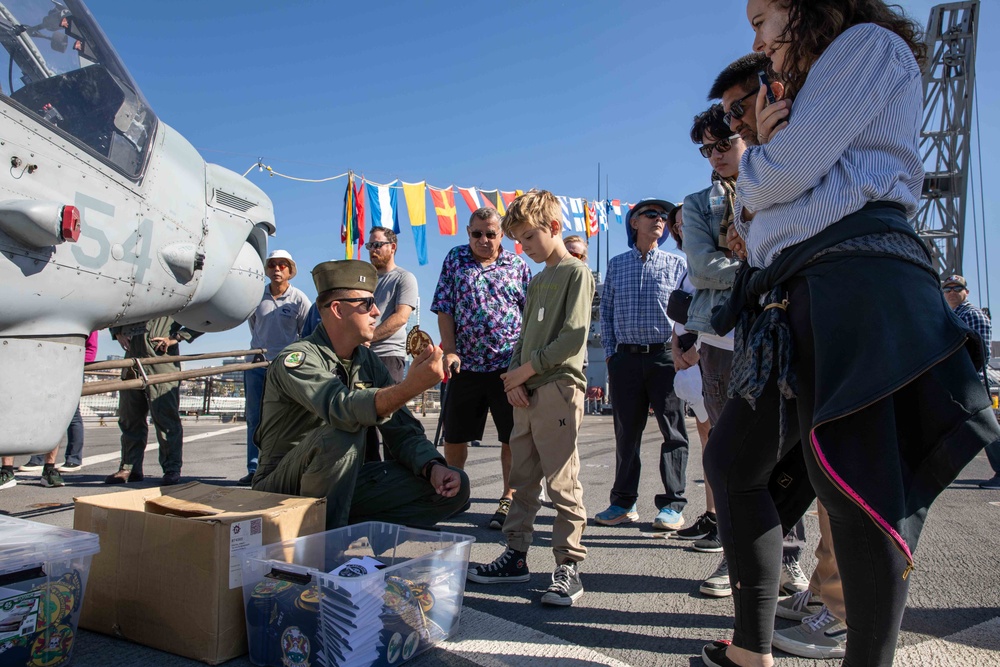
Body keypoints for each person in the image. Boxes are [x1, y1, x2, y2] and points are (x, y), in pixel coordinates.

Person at [700, 2, 1000, 666]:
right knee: (732, 461)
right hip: (798, 291)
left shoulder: (866, 46)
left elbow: (782, 177)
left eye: (761, 18)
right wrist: (764, 187)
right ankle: (752, 650)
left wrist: (762, 173)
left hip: (854, 282)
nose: (756, 39)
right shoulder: (813, 83)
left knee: (852, 489)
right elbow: (757, 225)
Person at [252, 260, 469, 530]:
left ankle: (346, 529)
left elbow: (402, 430)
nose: (377, 312)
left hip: (338, 480)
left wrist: (432, 467)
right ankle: (319, 548)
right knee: (343, 431)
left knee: (454, 486)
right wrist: (410, 387)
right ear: (338, 309)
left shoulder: (366, 360)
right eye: (367, 304)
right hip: (282, 486)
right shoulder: (297, 358)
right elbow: (341, 408)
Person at [467, 190, 594, 607]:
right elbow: (524, 336)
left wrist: (526, 369)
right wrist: (514, 379)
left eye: (527, 238)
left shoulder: (577, 273)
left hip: (559, 386)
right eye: (517, 240)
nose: (522, 247)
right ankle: (516, 556)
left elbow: (573, 337)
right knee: (521, 479)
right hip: (527, 390)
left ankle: (568, 566)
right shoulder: (537, 279)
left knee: (561, 480)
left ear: (553, 227)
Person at [431, 208, 531, 530]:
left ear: (502, 235)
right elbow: (445, 308)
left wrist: (525, 365)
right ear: (468, 232)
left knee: (510, 438)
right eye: (477, 234)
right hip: (466, 365)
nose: (484, 240)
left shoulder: (518, 266)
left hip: (507, 367)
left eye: (491, 234)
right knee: (455, 436)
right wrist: (450, 350)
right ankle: (455, 493)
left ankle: (508, 498)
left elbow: (529, 316)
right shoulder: (455, 259)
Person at [596, 198, 690, 531]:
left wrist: (682, 352)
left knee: (673, 431)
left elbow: (685, 313)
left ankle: (673, 505)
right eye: (651, 214)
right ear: (633, 222)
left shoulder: (678, 264)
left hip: (664, 357)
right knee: (626, 435)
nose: (660, 219)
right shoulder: (617, 264)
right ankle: (623, 503)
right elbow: (605, 314)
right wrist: (610, 354)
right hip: (625, 359)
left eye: (664, 216)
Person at [241, 250, 312, 485]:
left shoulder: (299, 299)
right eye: (272, 265)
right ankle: (254, 469)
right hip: (257, 366)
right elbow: (255, 327)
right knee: (254, 419)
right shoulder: (254, 296)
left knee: (287, 418)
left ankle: (282, 467)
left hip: (285, 369)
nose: (277, 269)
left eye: (282, 265)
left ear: (290, 270)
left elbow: (307, 333)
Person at [105, 317, 202, 486]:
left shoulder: (179, 295)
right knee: (129, 419)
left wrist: (177, 337)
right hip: (132, 360)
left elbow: (208, 317)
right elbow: (112, 308)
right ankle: (129, 467)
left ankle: (171, 469)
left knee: (166, 420)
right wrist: (117, 331)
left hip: (161, 361)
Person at [19, 331, 99, 483]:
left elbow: (91, 348)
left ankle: (74, 459)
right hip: (47, 365)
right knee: (41, 411)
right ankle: (38, 458)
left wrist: (76, 363)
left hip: (71, 366)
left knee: (72, 414)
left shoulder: (82, 320)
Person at [941, 274, 998, 490]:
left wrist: (967, 375)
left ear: (967, 292)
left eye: (957, 288)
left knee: (987, 427)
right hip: (963, 378)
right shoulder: (955, 313)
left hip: (972, 379)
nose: (952, 292)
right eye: (948, 289)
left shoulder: (971, 314)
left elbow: (979, 351)